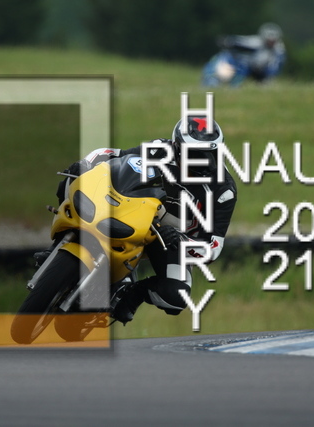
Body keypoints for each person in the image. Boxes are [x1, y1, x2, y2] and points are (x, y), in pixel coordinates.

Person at [37, 115, 238, 324]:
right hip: (133, 212)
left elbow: (213, 246)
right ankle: (57, 247)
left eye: (210, 154)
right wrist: (85, 164)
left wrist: (181, 241)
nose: (203, 162)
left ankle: (131, 295)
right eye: (195, 154)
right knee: (71, 181)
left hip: (170, 239)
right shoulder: (161, 150)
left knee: (176, 297)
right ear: (177, 147)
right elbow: (112, 155)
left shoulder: (224, 191)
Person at [204, 22, 286, 86]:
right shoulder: (257, 42)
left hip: (263, 73)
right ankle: (223, 83)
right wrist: (227, 41)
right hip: (248, 68)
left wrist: (269, 78)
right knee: (237, 62)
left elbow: (275, 67)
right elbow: (240, 41)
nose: (271, 42)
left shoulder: (279, 50)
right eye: (269, 40)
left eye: (273, 40)